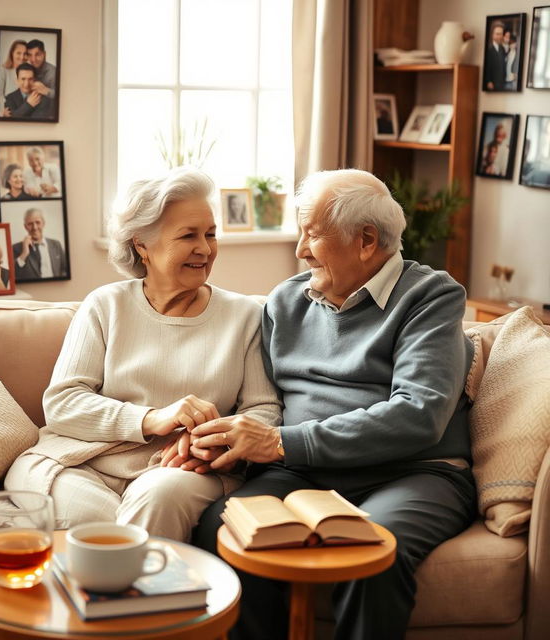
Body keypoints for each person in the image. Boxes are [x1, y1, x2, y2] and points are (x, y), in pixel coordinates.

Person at [191, 169, 476, 640]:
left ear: (366, 240)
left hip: (413, 472)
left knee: (373, 556)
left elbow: (418, 414)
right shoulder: (285, 301)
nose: (300, 250)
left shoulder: (430, 297)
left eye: (312, 234)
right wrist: (208, 437)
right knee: (219, 530)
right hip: (302, 474)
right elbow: (258, 402)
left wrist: (281, 443)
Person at [5, 167, 282, 541]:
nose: (204, 248)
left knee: (156, 499)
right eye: (188, 235)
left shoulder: (244, 316)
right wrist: (151, 418)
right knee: (91, 513)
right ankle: (139, 581)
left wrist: (210, 442)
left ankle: (112, 587)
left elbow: (263, 410)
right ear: (142, 246)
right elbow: (63, 403)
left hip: (178, 469)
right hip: (79, 462)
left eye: (210, 234)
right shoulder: (106, 305)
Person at [12, 208, 67, 280]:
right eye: (30, 224)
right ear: (25, 227)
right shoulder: (16, 248)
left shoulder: (56, 244)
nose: (34, 227)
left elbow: (65, 270)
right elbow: (12, 275)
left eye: (37, 222)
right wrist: (24, 253)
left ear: (43, 223)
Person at [0, 39, 27, 118]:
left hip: (24, 113)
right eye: (18, 53)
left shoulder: (30, 72)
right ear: (12, 54)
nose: (22, 57)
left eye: (25, 54)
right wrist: (1, 111)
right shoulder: (3, 70)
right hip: (9, 113)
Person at [484, 20, 506, 91]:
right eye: (497, 34)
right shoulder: (489, 49)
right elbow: (487, 66)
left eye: (501, 34)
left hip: (501, 84)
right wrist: (488, 81)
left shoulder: (502, 49)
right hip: (492, 84)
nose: (500, 36)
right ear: (492, 34)